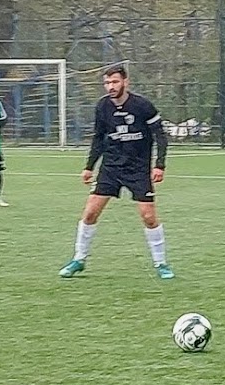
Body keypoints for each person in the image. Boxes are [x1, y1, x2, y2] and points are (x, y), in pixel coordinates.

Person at [58, 65, 174, 280]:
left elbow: (160, 136)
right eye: (107, 83)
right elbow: (98, 138)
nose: (110, 87)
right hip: (110, 168)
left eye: (115, 82)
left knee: (148, 217)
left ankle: (161, 264)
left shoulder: (142, 106)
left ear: (125, 82)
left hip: (138, 168)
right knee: (90, 213)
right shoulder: (102, 106)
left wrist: (159, 165)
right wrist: (89, 167)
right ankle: (78, 259)